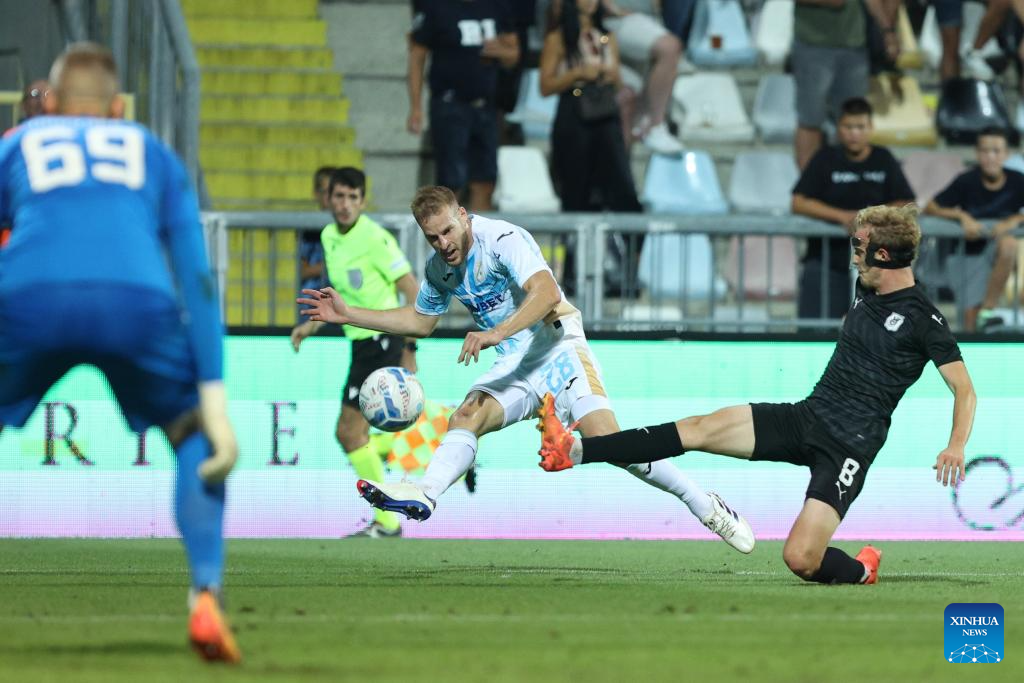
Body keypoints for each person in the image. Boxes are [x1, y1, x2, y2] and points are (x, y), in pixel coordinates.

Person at [298, 185, 755, 552]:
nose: (443, 243)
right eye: (432, 237)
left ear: (461, 214)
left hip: (557, 347)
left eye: (447, 231)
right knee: (466, 417)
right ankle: (425, 494)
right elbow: (419, 320)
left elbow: (546, 293)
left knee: (610, 444)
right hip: (515, 362)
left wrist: (498, 332)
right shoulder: (439, 269)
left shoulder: (503, 239)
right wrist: (348, 314)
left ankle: (704, 503)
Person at [538, 204, 976, 585]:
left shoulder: (923, 319)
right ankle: (576, 450)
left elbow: (964, 389)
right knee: (699, 428)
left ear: (883, 254)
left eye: (860, 247)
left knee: (801, 559)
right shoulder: (867, 288)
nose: (853, 255)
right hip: (806, 416)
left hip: (849, 447)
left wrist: (955, 445)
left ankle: (861, 570)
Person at [0, 43, 240, 662]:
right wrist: (212, 394)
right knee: (193, 436)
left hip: (27, 296)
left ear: (47, 102)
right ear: (115, 108)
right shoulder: (151, 152)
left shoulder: (16, 144)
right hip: (137, 301)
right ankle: (206, 596)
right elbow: (197, 276)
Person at [290, 167, 420, 538]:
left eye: (352, 197)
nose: (345, 205)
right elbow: (341, 292)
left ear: (363, 201)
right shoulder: (330, 236)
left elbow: (414, 293)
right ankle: (387, 456)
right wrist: (312, 324)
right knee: (358, 435)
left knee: (348, 433)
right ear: (328, 199)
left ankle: (389, 518)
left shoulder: (376, 239)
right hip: (360, 343)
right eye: (339, 196)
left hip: (382, 340)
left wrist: (410, 348)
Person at [792, 97, 915, 321]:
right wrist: (842, 217)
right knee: (815, 329)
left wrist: (870, 219)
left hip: (877, 264)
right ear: (839, 128)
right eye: (848, 127)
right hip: (826, 261)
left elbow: (905, 202)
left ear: (870, 128)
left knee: (879, 334)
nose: (854, 133)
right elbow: (799, 201)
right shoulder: (825, 158)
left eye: (860, 127)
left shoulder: (883, 159)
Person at [407, 0, 520, 211]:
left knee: (486, 180)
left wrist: (500, 52)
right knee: (451, 181)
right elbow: (417, 56)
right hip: (450, 104)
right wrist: (415, 107)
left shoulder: (498, 6)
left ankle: (480, 240)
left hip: (486, 106)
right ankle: (447, 239)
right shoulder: (436, 8)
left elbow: (513, 55)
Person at [541, 0, 643, 213]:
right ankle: (574, 244)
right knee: (576, 184)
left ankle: (632, 244)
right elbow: (545, 86)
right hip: (573, 111)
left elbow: (618, 81)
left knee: (620, 182)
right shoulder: (558, 38)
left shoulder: (607, 36)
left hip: (605, 112)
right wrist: (576, 74)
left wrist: (609, 75)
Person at [925, 126, 1022, 331]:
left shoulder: (1017, 180)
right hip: (967, 253)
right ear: (977, 154)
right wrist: (961, 216)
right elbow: (931, 206)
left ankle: (988, 311)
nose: (990, 157)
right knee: (970, 321)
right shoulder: (966, 180)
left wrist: (1016, 218)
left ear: (1006, 155)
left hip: (997, 251)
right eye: (985, 151)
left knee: (1009, 244)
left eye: (996, 151)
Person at [791, 0, 900, 169]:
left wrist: (888, 31)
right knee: (810, 120)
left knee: (853, 118)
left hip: (855, 46)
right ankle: (806, 187)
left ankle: (847, 181)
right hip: (813, 45)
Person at [599, 0, 684, 153]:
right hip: (614, 20)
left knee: (632, 100)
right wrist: (611, 8)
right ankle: (655, 126)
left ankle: (647, 125)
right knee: (670, 47)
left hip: (649, 18)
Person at [297, 165, 334, 319]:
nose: (331, 198)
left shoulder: (351, 230)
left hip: (341, 305)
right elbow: (303, 271)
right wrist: (334, 266)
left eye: (336, 192)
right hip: (312, 306)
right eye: (326, 192)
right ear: (316, 194)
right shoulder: (309, 230)